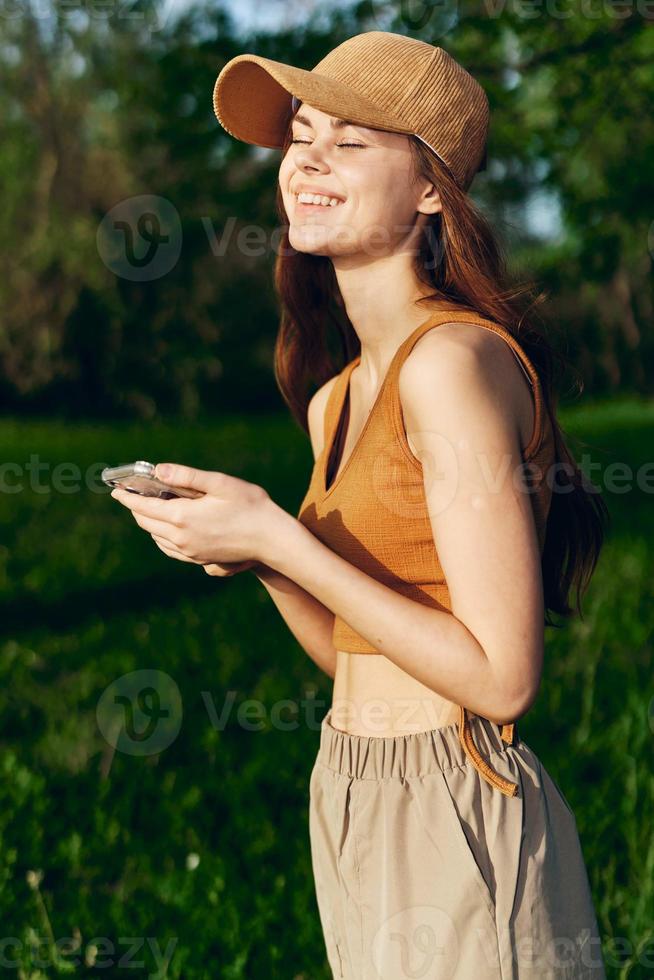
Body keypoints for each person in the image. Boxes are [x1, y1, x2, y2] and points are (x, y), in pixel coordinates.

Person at [110, 29, 609, 980]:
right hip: (352, 782)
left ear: (430, 189)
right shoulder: (337, 396)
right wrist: (260, 558)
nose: (307, 160)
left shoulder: (454, 368)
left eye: (350, 140)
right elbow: (353, 650)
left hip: (456, 796)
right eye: (302, 134)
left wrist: (282, 539)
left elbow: (504, 680)